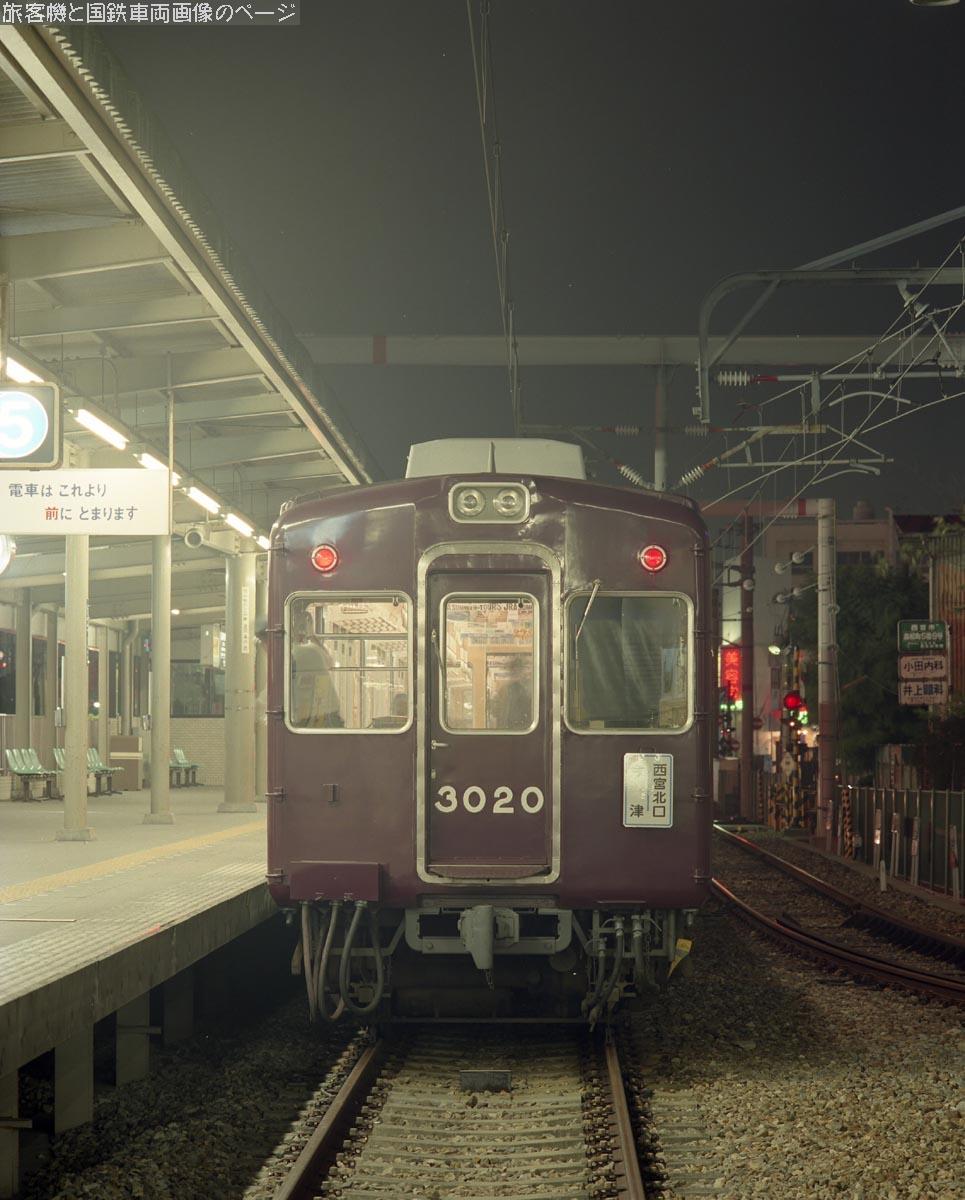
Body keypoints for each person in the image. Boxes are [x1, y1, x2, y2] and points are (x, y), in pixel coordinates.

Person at [291, 609, 343, 727]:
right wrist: (312, 636)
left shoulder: (304, 651)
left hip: (318, 713)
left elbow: (329, 663)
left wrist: (311, 636)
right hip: (320, 712)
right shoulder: (307, 650)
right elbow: (330, 662)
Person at [490, 655, 532, 730]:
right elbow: (495, 711)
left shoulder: (528, 688)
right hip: (507, 727)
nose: (516, 673)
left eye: (518, 670)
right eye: (513, 670)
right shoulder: (504, 689)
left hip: (520, 727)